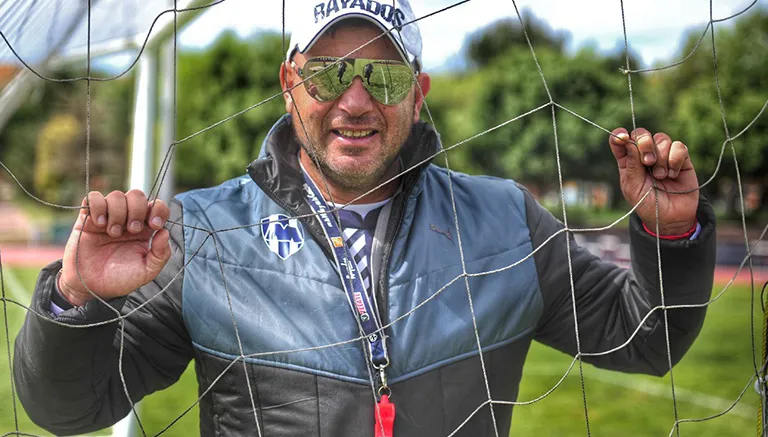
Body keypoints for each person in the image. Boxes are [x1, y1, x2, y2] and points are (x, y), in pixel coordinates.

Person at [14, 1, 715, 436]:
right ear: (289, 84)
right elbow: (66, 408)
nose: (354, 102)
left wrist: (670, 234)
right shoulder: (203, 234)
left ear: (419, 93)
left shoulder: (505, 219)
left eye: (383, 77)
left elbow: (645, 338)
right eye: (327, 73)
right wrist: (74, 299)